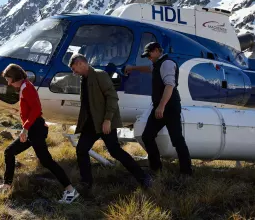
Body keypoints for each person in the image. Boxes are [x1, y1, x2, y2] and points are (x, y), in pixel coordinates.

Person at [0, 63, 80, 204]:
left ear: (14, 78)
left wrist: (25, 128)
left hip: (35, 129)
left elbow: (36, 109)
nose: (8, 83)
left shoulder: (27, 88)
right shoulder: (24, 87)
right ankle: (6, 185)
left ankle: (71, 191)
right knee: (9, 152)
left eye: (8, 79)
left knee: (47, 161)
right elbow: (31, 108)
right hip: (33, 128)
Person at [68, 53, 152, 191]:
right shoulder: (84, 79)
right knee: (81, 150)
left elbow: (112, 97)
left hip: (104, 123)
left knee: (115, 152)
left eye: (74, 68)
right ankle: (86, 183)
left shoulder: (100, 75)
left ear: (80, 64)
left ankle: (143, 178)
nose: (74, 72)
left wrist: (107, 120)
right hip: (91, 124)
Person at [125, 42, 193, 176]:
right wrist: (133, 68)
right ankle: (156, 169)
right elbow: (149, 68)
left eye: (149, 54)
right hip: (160, 106)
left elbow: (169, 86)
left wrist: (161, 107)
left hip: (170, 107)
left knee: (177, 139)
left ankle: (187, 171)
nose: (148, 57)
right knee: (147, 136)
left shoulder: (167, 64)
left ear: (157, 51)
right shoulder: (158, 63)